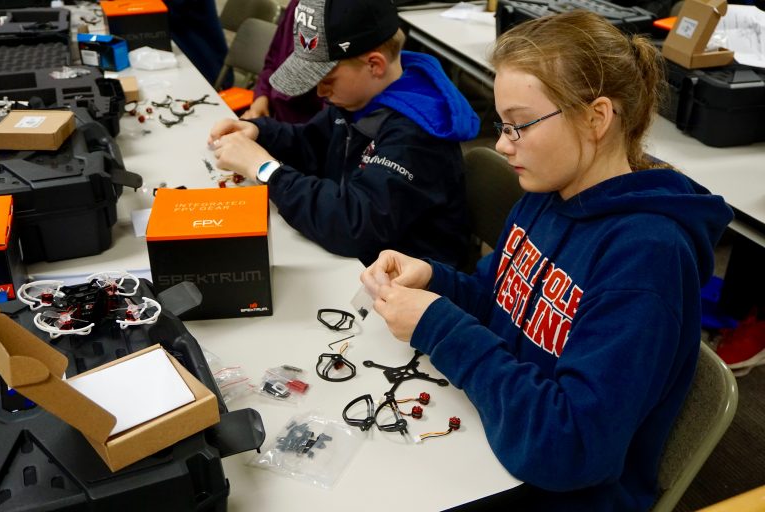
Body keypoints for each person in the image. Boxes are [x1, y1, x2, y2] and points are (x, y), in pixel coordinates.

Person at [361, 11, 733, 512]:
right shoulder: (547, 192)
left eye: (519, 125)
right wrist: (434, 281)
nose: (501, 143)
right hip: (495, 436)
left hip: (559, 488)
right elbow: (498, 303)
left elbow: (570, 448)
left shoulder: (646, 259)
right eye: (502, 125)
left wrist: (440, 327)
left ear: (596, 118)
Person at [208, 0, 479, 267]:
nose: (320, 92)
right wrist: (260, 132)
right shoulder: (359, 99)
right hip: (359, 263)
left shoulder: (417, 136)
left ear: (374, 65)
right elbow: (310, 144)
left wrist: (265, 169)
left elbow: (353, 225)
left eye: (327, 80)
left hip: (406, 281)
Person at [239, 0, 323, 123]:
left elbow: (326, 120)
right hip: (271, 113)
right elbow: (273, 59)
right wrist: (261, 96)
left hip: (302, 125)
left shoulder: (339, 15)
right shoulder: (297, 4)